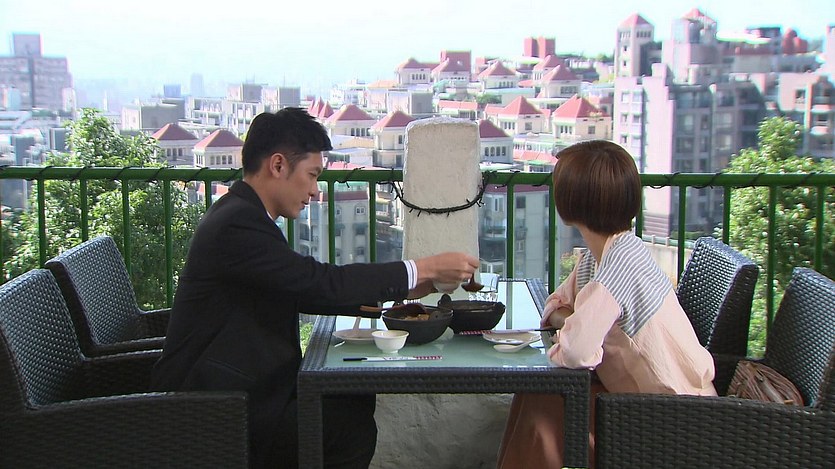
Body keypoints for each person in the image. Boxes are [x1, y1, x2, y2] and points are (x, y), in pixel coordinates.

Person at [151, 108, 479, 469]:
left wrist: (409, 289)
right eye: (312, 175)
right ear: (278, 165)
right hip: (216, 408)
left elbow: (303, 289)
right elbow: (316, 282)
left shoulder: (242, 214)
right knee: (346, 427)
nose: (313, 190)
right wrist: (422, 267)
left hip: (239, 389)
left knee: (352, 399)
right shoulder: (237, 224)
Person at [495, 140, 717, 468]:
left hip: (675, 421)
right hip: (645, 402)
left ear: (573, 200)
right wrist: (572, 321)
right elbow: (555, 304)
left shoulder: (617, 269)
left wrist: (573, 324)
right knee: (537, 394)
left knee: (543, 404)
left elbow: (575, 351)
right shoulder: (604, 256)